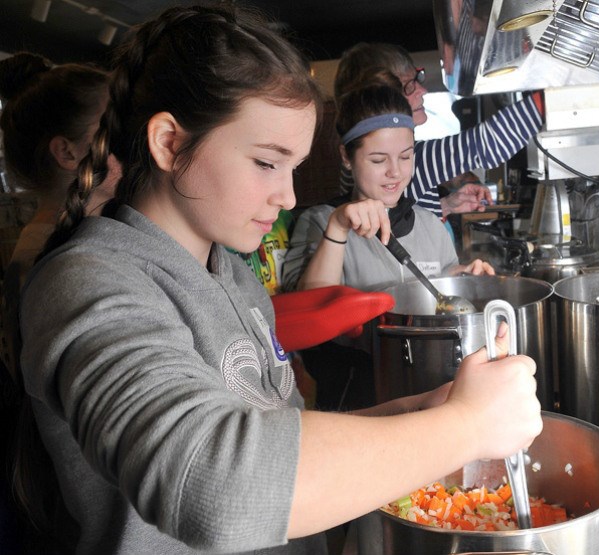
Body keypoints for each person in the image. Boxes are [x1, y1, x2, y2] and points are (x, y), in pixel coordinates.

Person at [16, 6, 542, 555]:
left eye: (292, 168)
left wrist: (422, 415)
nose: (289, 196)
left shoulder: (231, 274)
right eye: (267, 163)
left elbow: (273, 431)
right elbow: (210, 481)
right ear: (170, 143)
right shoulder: (86, 283)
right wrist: (465, 426)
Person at [0, 53, 120, 553]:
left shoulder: (66, 241)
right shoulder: (58, 259)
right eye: (114, 127)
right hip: (69, 497)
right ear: (68, 153)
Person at [284, 84, 495, 294]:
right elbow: (309, 306)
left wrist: (462, 275)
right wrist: (338, 228)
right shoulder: (319, 222)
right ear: (346, 157)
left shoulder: (431, 224)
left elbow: (443, 281)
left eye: (405, 156)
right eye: (378, 160)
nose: (395, 172)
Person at [333, 42, 544, 218]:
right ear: (382, 100)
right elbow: (486, 144)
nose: (422, 90)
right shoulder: (412, 160)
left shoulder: (359, 156)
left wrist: (446, 205)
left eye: (417, 80)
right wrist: (551, 96)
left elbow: (399, 218)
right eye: (409, 86)